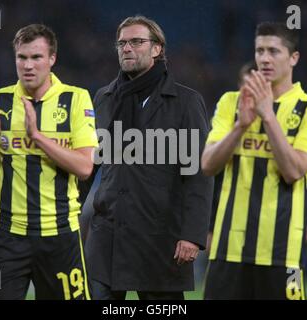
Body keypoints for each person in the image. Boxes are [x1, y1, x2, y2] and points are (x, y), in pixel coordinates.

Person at [81, 15, 213, 300]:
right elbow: (88, 164)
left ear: (157, 49)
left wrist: (192, 234)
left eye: (136, 42)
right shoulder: (104, 98)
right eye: (122, 43)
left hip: (159, 239)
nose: (127, 48)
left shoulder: (186, 102)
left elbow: (197, 174)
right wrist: (64, 216)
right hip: (107, 235)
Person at [201, 22, 307, 299]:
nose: (264, 58)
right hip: (227, 250)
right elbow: (208, 164)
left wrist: (268, 116)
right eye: (259, 50)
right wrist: (240, 126)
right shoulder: (230, 102)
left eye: (273, 51)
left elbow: (294, 170)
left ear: (293, 58)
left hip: (283, 255)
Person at [0, 24, 98, 300]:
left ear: (52, 59)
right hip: (7, 236)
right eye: (22, 57)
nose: (28, 65)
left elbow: (85, 167)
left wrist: (37, 137)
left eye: (36, 57)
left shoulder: (75, 99)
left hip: (60, 234)